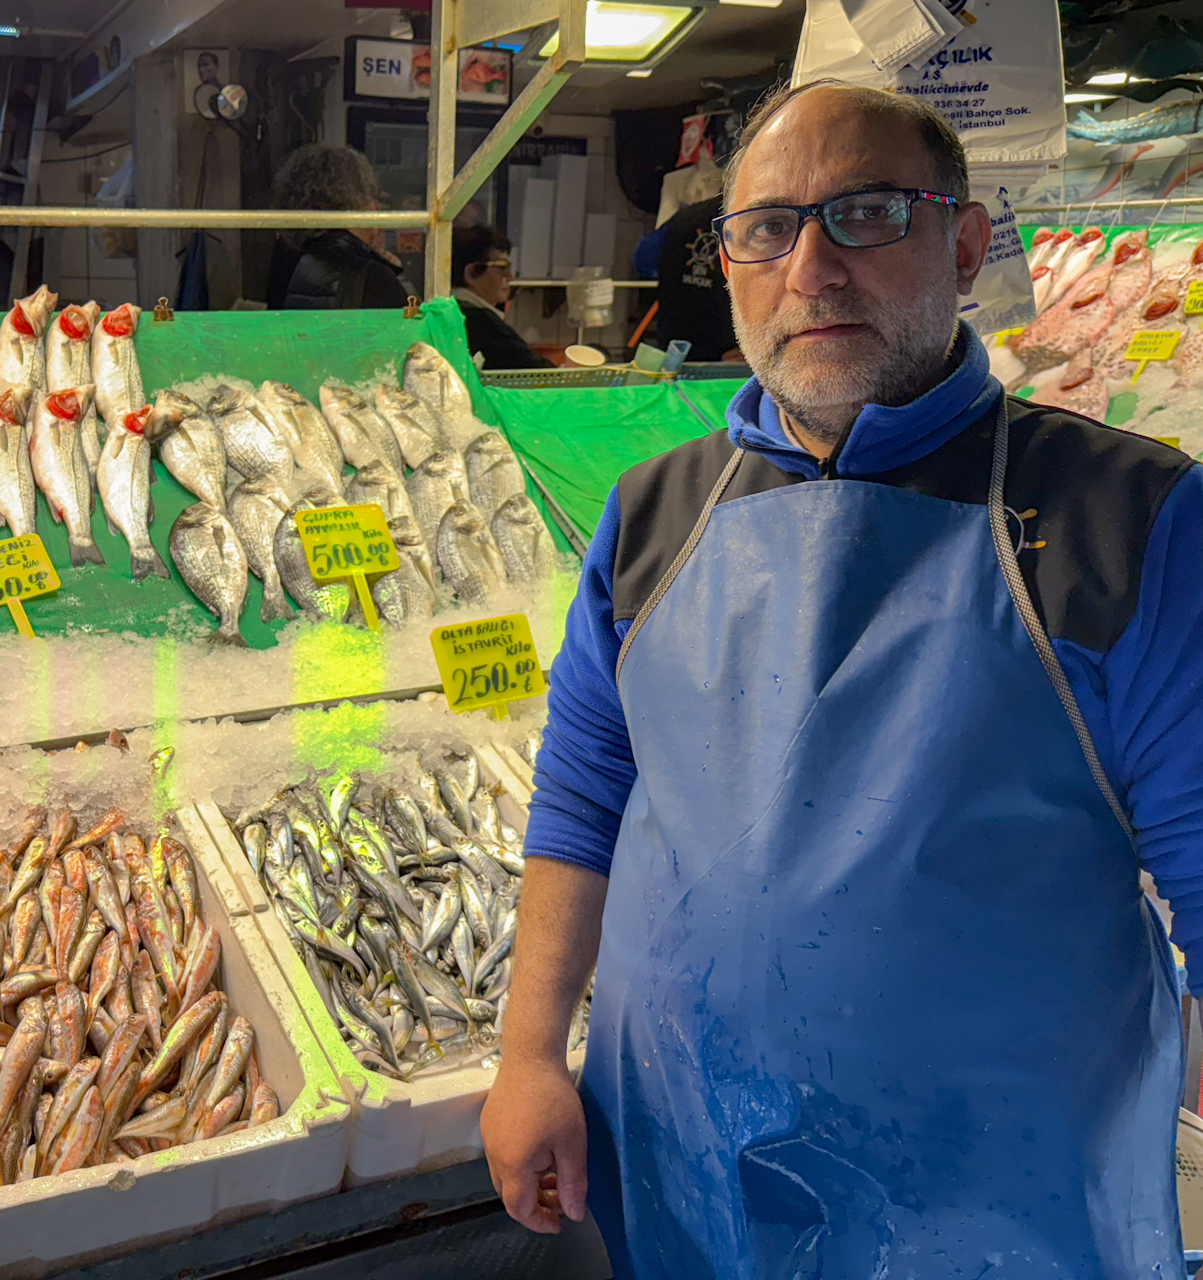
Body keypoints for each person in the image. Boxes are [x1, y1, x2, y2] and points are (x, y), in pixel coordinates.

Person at [481, 78, 1203, 1277]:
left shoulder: (1133, 519)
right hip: (682, 1171)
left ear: (965, 245)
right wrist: (528, 1053)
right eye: (768, 228)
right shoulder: (654, 513)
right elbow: (582, 791)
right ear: (730, 261)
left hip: (997, 1212)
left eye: (867, 213)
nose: (811, 268)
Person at [266, 144, 411, 310]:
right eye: (370, 196)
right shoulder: (369, 274)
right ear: (352, 202)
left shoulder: (287, 256)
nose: (378, 206)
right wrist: (392, 273)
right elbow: (413, 320)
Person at [649, 192, 739, 361]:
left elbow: (646, 262)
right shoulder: (745, 222)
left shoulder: (684, 217)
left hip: (675, 350)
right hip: (728, 355)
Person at [451, 225, 549, 370]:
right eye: (503, 267)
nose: (510, 277)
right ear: (471, 273)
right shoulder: (479, 320)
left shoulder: (450, 311)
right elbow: (536, 370)